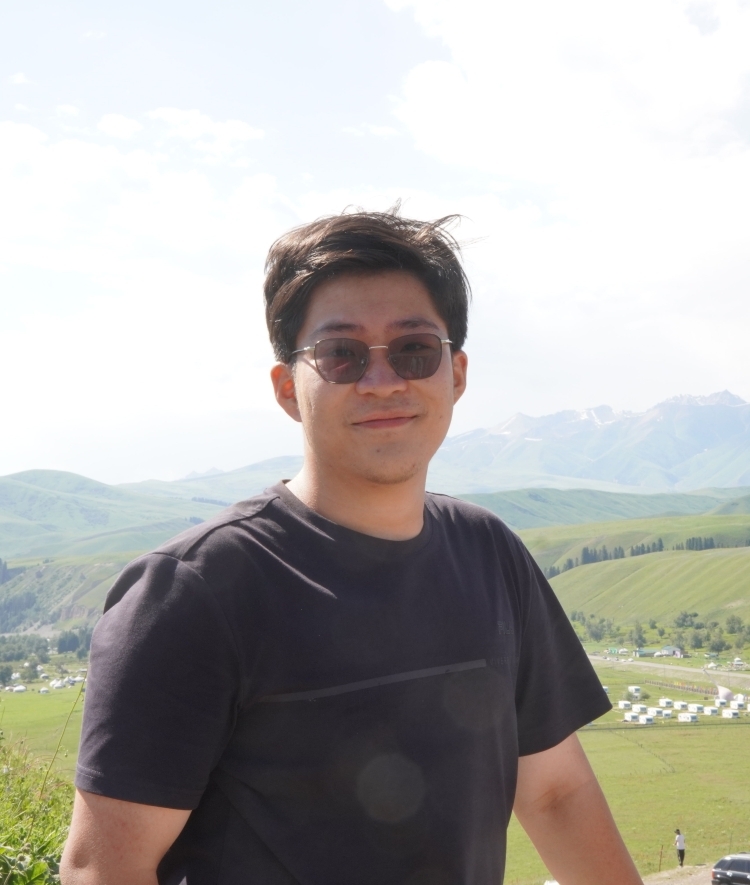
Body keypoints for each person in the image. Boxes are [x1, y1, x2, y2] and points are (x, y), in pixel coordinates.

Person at [60, 209, 642, 885]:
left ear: (455, 373)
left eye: (414, 350)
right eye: (342, 354)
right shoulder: (194, 590)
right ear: (287, 388)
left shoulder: (490, 555)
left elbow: (554, 791)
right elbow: (104, 868)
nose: (383, 380)